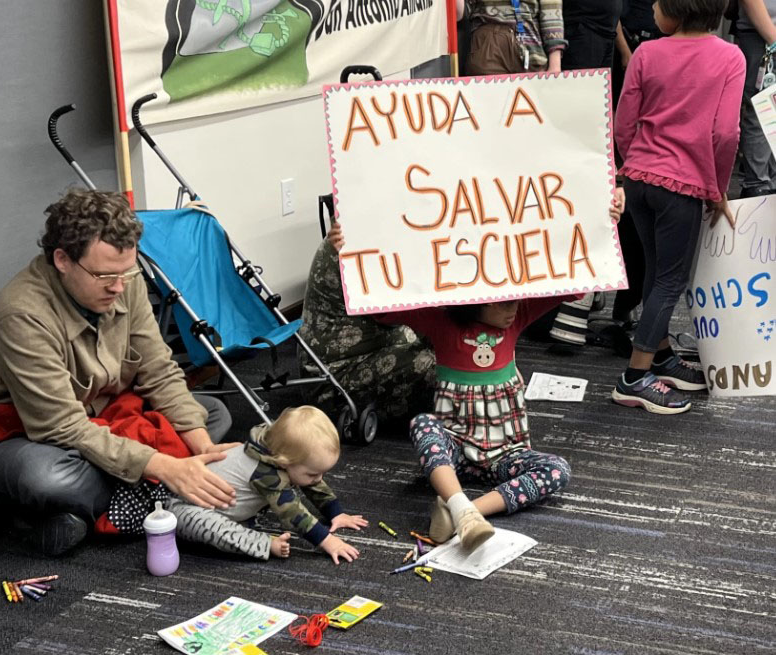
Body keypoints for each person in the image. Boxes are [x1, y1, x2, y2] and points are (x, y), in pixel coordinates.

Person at [328, 195, 622, 551]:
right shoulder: (441, 321)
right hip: (455, 454)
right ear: (475, 295)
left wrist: (605, 224)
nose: (514, 309)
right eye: (503, 301)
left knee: (558, 469)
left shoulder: (517, 318)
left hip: (506, 455)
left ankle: (464, 510)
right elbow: (379, 304)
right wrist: (348, 251)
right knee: (423, 424)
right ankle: (457, 501)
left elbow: (576, 282)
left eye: (516, 299)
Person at [0, 189, 239, 555]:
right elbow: (61, 426)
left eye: (126, 272)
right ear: (62, 260)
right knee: (45, 478)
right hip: (14, 442)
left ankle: (84, 513)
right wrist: (166, 465)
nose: (119, 287)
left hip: (101, 417)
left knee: (211, 415)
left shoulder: (125, 281)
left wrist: (204, 447)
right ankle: (142, 494)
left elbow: (159, 370)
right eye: (105, 275)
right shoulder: (22, 315)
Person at [611, 0, 746, 414]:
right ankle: (634, 377)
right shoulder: (730, 56)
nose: (650, 6)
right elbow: (726, 134)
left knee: (656, 272)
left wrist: (634, 164)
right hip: (682, 187)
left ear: (676, 9)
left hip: (638, 180)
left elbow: (621, 122)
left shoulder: (647, 52)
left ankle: (664, 356)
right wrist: (717, 188)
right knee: (671, 281)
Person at [168, 406, 367, 564]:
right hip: (183, 509)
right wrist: (328, 541)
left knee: (302, 479)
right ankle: (263, 543)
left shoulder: (279, 452)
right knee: (215, 527)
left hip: (228, 508)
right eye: (314, 473)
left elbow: (312, 483)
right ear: (283, 462)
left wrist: (335, 512)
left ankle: (245, 525)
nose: (319, 478)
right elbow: (293, 514)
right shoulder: (264, 472)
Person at [298, 222, 437, 424]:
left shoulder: (372, 232)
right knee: (449, 359)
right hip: (334, 381)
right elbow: (420, 320)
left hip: (377, 348)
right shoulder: (359, 246)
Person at [736, 0, 776, 198]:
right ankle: (757, 183)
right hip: (761, 33)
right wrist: (774, 39)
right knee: (763, 108)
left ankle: (766, 180)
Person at [464, 0, 567, 75]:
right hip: (489, 48)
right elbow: (462, 11)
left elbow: (552, 13)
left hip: (532, 51)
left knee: (530, 103)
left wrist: (555, 66)